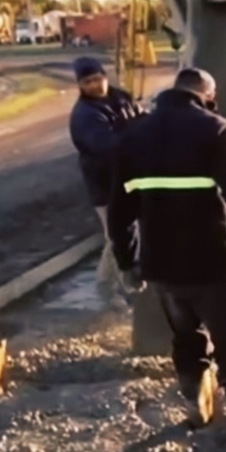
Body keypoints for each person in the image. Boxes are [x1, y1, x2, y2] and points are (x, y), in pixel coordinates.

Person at [108, 68, 226, 440]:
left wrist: (126, 261)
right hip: (213, 261)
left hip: (162, 266)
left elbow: (120, 212)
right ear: (207, 95)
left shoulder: (132, 137)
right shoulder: (215, 129)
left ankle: (198, 412)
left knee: (185, 339)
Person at [68, 56, 143, 291]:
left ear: (105, 76)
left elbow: (140, 118)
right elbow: (106, 146)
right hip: (104, 183)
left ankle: (108, 283)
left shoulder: (121, 97)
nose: (95, 85)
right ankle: (113, 286)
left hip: (129, 178)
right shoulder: (84, 115)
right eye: (88, 81)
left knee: (124, 235)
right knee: (117, 235)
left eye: (98, 78)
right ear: (80, 86)